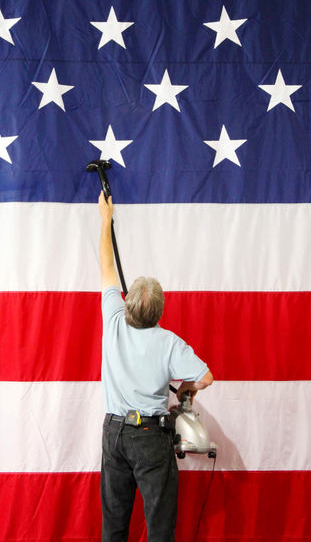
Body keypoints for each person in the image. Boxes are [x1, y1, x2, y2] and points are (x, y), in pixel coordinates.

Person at [98, 191, 213, 542]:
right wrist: (187, 392)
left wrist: (105, 220)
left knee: (114, 526)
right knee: (160, 528)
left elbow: (105, 266)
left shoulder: (114, 319)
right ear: (160, 312)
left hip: (114, 434)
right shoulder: (169, 343)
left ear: (127, 303)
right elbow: (205, 376)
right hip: (150, 437)